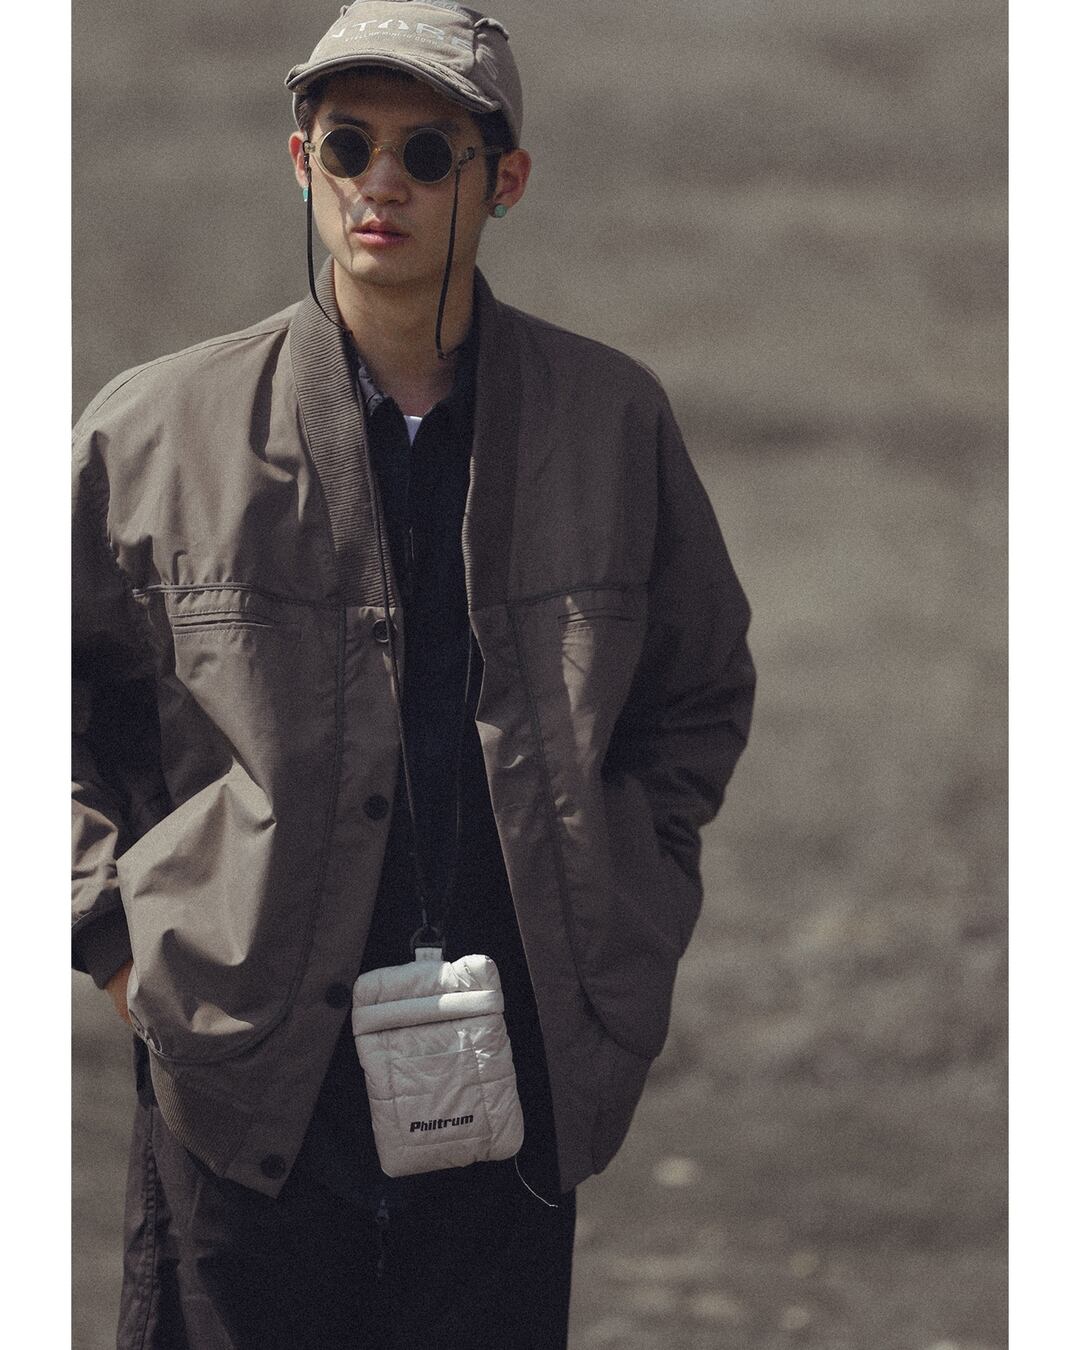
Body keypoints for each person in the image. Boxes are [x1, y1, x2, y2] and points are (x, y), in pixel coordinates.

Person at [71, 2, 756, 1346]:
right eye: (348, 146)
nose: (379, 183)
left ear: (505, 180)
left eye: (427, 153)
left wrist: (631, 902)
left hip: (513, 1065)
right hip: (245, 1074)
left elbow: (693, 700)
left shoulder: (611, 422)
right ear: (301, 162)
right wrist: (116, 944)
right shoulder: (156, 430)